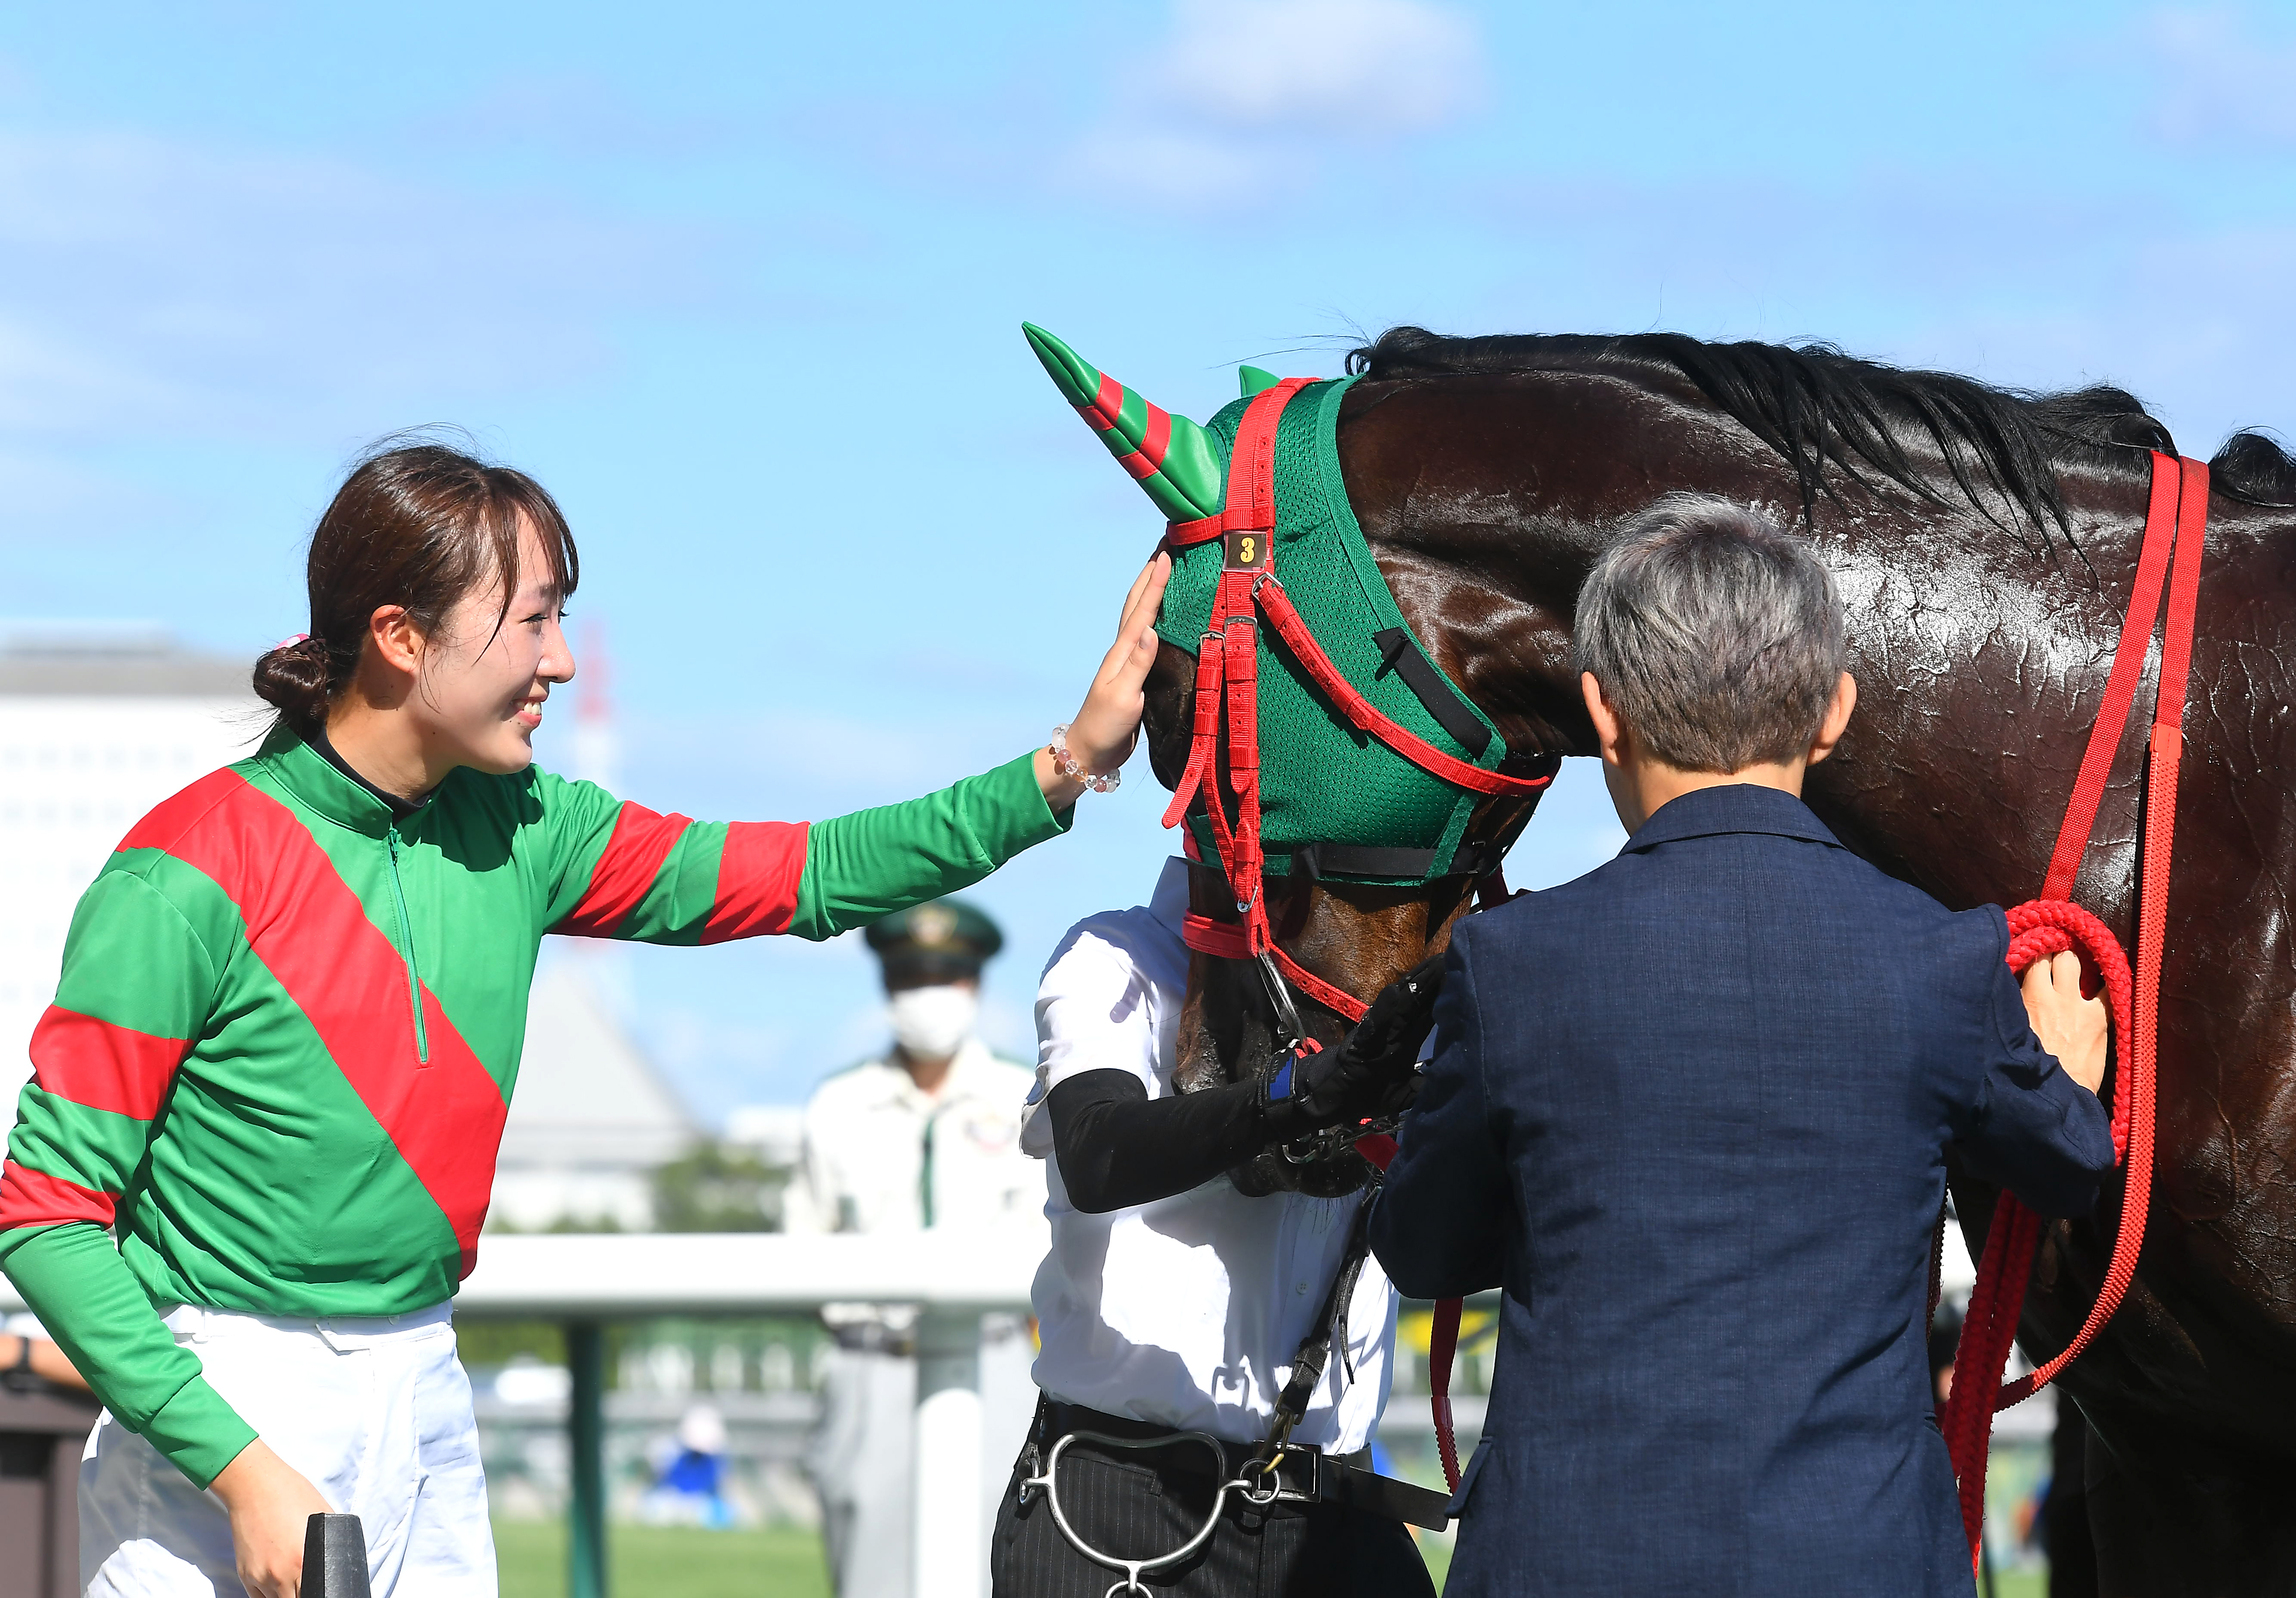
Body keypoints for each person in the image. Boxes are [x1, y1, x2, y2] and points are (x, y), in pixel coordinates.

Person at [0, 439, 1167, 1598]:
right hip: (219, 1409)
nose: (559, 659)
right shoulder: (183, 871)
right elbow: (46, 1217)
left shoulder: (527, 822)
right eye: (532, 620)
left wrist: (1062, 766)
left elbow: (800, 874)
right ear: (403, 638)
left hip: (426, 1380)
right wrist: (242, 1469)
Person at [1371, 493, 2117, 1597]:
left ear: (1602, 714)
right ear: (1834, 713)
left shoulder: (1509, 965)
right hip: (1854, 1559)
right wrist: (2068, 1071)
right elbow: (2067, 1162)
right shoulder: (1940, 959)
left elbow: (1424, 1251)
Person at [989, 856, 1449, 1598]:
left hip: (1341, 1514)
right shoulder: (1116, 954)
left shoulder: (1411, 980)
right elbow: (1097, 1153)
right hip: (1119, 1511)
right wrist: (1298, 1094)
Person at [788, 896, 1045, 1598]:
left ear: (975, 985)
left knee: (1002, 1571)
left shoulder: (1019, 1098)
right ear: (886, 988)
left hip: (994, 1359)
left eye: (946, 977)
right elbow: (801, 1249)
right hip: (871, 1362)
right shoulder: (837, 1105)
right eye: (910, 980)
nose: (927, 996)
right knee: (867, 1574)